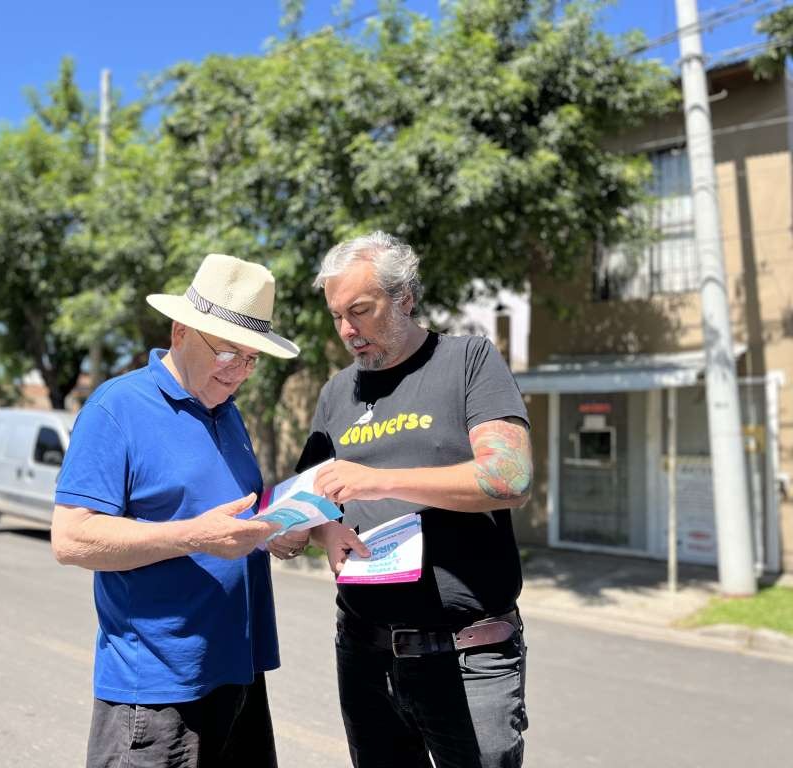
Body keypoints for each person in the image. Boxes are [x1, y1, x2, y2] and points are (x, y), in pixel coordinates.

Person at [268, 231, 532, 768]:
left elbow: (510, 476)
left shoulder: (467, 361)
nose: (347, 330)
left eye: (360, 311)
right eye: (337, 316)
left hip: (468, 655)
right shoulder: (337, 393)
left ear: (405, 297)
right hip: (365, 654)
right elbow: (312, 499)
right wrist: (321, 532)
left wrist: (379, 481)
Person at [51, 253, 299, 768]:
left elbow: (225, 516)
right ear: (181, 331)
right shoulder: (115, 408)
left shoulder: (228, 413)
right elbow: (71, 539)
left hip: (240, 675)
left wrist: (275, 528)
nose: (241, 373)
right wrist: (194, 536)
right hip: (158, 692)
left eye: (253, 359)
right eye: (231, 354)